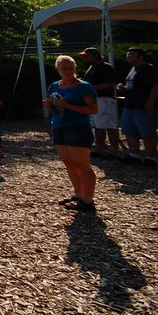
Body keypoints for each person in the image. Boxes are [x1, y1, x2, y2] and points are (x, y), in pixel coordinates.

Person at [43, 55, 99, 212]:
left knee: (82, 165)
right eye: (64, 68)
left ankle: (87, 200)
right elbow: (55, 109)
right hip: (59, 126)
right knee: (69, 163)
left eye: (71, 68)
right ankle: (78, 194)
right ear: (58, 69)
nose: (68, 71)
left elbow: (93, 109)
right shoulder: (54, 86)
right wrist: (49, 106)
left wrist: (67, 105)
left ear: (75, 68)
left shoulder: (84, 86)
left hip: (78, 127)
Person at [117, 47, 158, 165]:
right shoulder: (132, 69)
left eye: (132, 54)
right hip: (130, 105)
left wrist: (150, 102)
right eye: (128, 55)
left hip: (143, 106)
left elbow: (156, 86)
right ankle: (134, 154)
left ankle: (150, 157)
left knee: (147, 132)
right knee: (129, 131)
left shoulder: (149, 69)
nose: (129, 57)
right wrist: (123, 89)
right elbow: (132, 87)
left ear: (141, 57)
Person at [79, 47, 121, 158]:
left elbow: (110, 83)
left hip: (104, 99)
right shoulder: (91, 68)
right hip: (94, 99)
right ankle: (99, 148)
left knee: (109, 125)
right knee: (98, 125)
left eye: (87, 56)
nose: (85, 59)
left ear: (95, 56)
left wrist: (92, 88)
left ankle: (114, 150)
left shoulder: (106, 67)